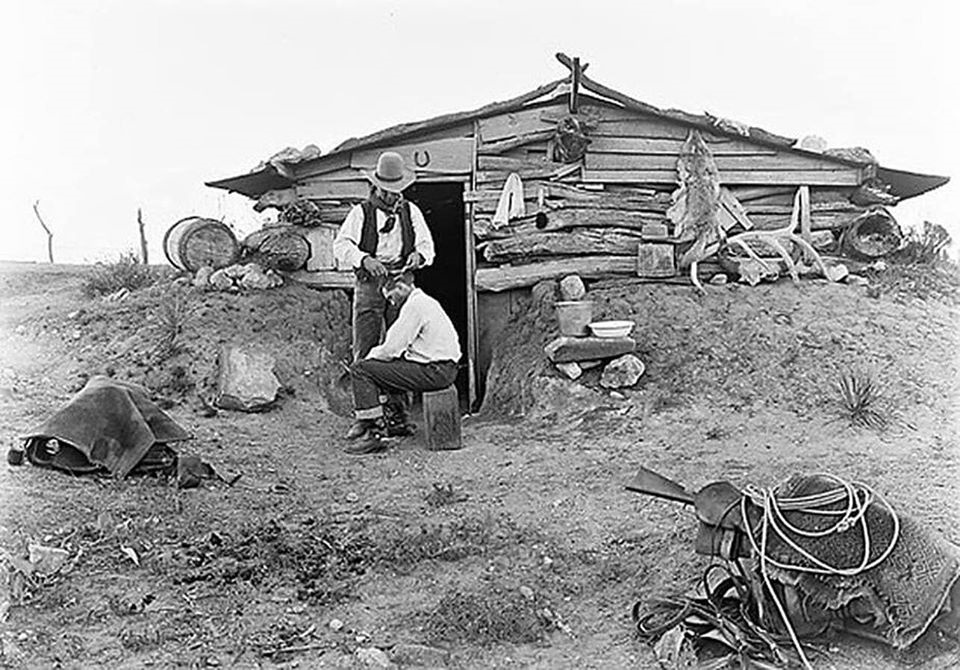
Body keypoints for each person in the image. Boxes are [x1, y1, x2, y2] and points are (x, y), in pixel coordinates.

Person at [333, 151, 436, 439]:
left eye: (396, 192)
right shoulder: (361, 212)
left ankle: (397, 414)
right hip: (369, 283)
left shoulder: (410, 212)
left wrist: (419, 256)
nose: (392, 197)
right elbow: (341, 245)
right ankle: (366, 418)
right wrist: (365, 259)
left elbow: (428, 245)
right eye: (387, 191)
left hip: (401, 282)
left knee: (400, 346)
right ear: (376, 186)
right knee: (364, 346)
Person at [344, 272, 461, 455]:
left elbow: (392, 348)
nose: (391, 302)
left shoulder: (414, 306)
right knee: (390, 366)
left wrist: (368, 359)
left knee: (361, 370)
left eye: (391, 297)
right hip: (443, 368)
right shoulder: (424, 302)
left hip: (436, 371)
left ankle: (372, 433)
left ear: (400, 287)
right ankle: (397, 421)